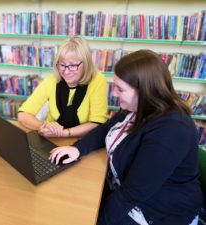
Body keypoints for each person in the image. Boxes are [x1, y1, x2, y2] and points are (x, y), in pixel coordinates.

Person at [49, 49, 203, 225]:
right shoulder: (137, 109)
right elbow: (106, 129)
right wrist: (77, 148)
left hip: (157, 210)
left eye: (120, 89)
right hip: (125, 192)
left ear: (145, 91)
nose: (114, 94)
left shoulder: (173, 130)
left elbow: (132, 194)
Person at [18, 36, 108, 138]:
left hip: (83, 141)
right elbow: (23, 114)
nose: (66, 71)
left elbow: (97, 123)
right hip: (50, 138)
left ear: (86, 64)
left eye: (73, 65)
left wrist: (64, 133)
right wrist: (44, 127)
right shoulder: (51, 81)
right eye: (62, 64)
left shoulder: (97, 80)